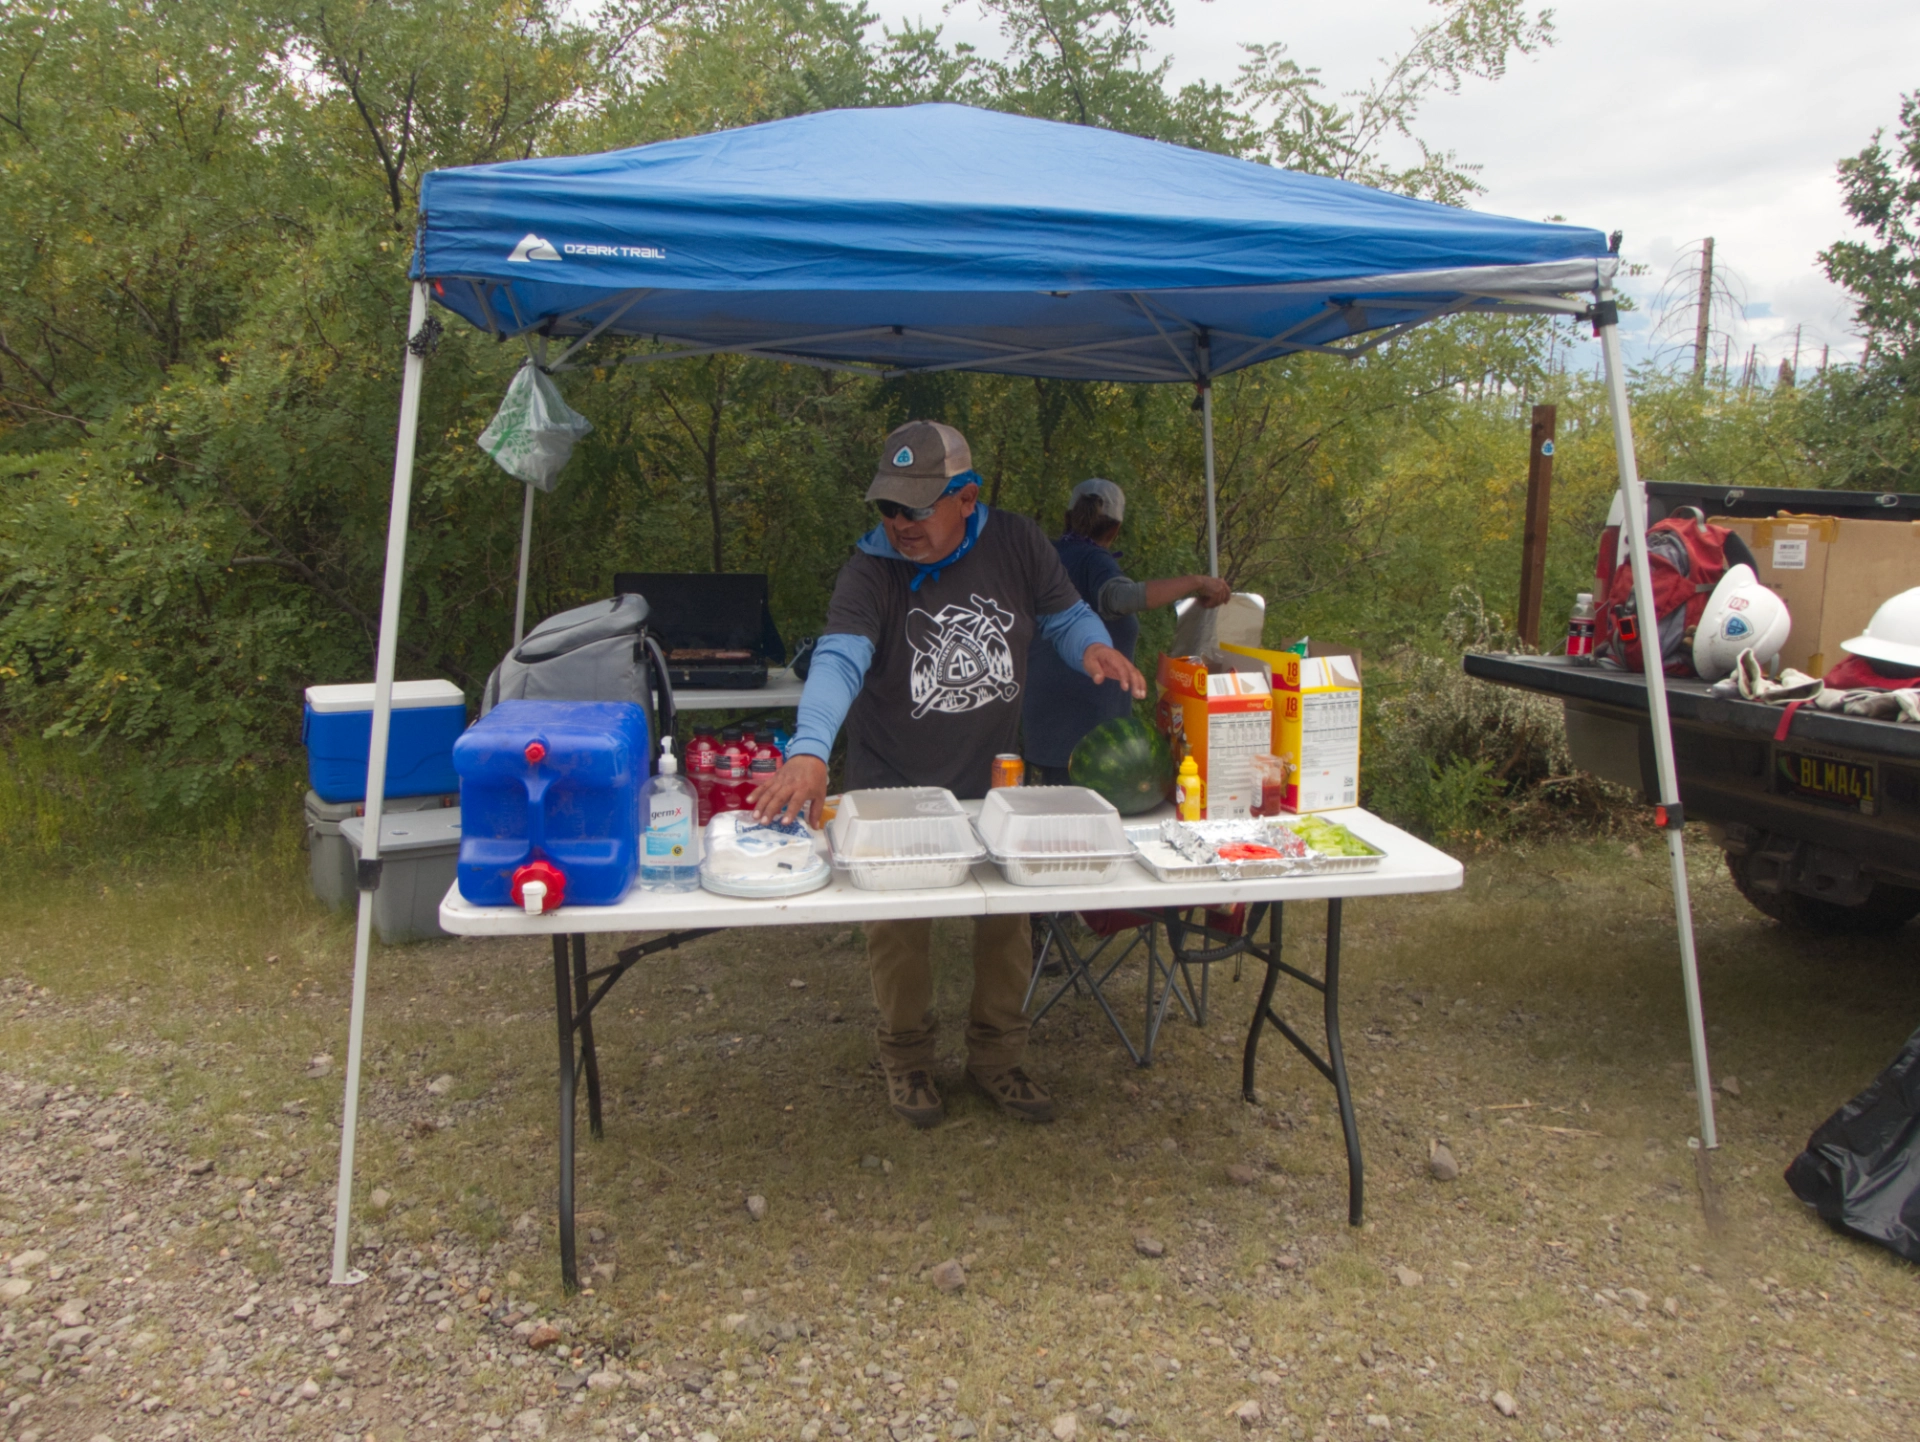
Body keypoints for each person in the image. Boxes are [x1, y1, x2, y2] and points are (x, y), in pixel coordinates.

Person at [752, 421, 1146, 1129]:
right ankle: (906, 1062)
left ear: (966, 497)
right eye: (889, 509)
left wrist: (1093, 646)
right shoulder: (870, 569)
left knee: (1008, 923)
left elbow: (1064, 616)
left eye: (918, 508)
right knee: (900, 928)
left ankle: (998, 1058)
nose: (900, 525)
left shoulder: (1019, 542)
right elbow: (839, 660)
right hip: (893, 781)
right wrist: (809, 750)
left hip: (990, 777)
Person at [1023, 477, 1231, 783]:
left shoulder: (1046, 555)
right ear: (1116, 528)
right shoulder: (1094, 560)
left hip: (1041, 724)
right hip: (1086, 731)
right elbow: (1119, 598)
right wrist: (1197, 582)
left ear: (1067, 517)